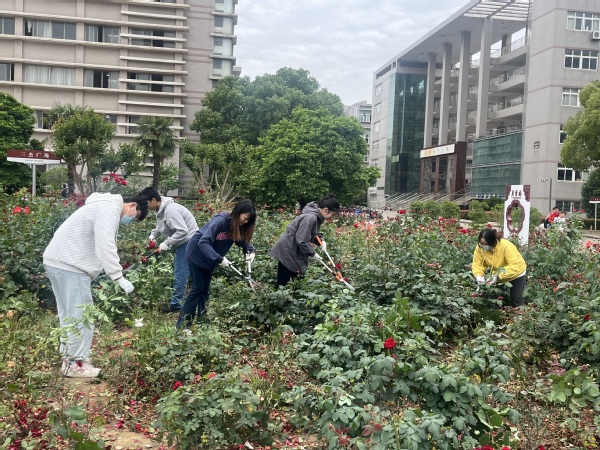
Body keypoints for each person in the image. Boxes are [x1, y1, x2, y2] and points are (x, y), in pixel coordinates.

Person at [43, 192, 149, 378]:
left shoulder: (101, 205)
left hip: (57, 261)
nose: (131, 221)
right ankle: (76, 364)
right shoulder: (109, 209)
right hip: (71, 265)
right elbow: (105, 245)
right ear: (132, 206)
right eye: (135, 216)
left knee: (69, 314)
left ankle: (69, 358)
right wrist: (118, 276)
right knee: (82, 315)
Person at [177, 199, 256, 328]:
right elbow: (203, 242)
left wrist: (250, 250)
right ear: (238, 212)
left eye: (248, 220)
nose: (245, 222)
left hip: (210, 259)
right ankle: (183, 326)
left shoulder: (236, 225)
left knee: (204, 291)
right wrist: (219, 259)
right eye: (245, 218)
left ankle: (203, 322)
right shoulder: (220, 222)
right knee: (197, 289)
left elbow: (240, 240)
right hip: (196, 254)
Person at [140, 187, 198, 313]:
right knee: (182, 271)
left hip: (189, 240)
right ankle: (182, 300)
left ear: (153, 200)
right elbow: (161, 225)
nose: (145, 206)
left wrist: (167, 243)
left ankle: (177, 304)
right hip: (183, 241)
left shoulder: (171, 210)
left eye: (146, 203)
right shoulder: (160, 209)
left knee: (180, 272)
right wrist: (153, 235)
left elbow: (183, 231)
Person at [270, 194, 341, 287]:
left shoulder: (316, 216)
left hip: (292, 249)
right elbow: (302, 239)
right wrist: (313, 253)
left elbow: (311, 233)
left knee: (295, 281)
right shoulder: (311, 218)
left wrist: (321, 241)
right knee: (284, 283)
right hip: (287, 251)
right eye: (333, 214)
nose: (332, 217)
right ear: (326, 210)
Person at [472, 228, 527, 307]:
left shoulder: (505, 246)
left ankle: (520, 313)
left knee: (516, 299)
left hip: (517, 273)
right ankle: (495, 313)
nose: (483, 246)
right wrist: (479, 276)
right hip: (498, 274)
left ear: (492, 241)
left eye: (486, 244)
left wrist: (497, 276)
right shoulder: (480, 248)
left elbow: (514, 266)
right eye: (481, 243)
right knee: (493, 298)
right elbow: (478, 263)